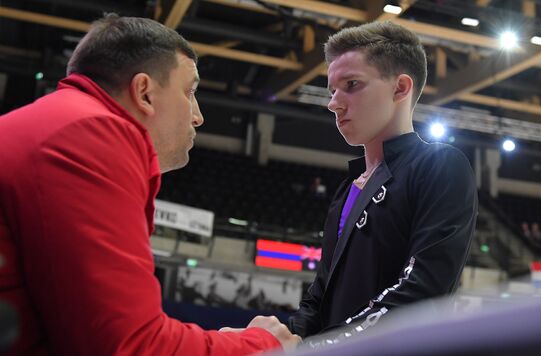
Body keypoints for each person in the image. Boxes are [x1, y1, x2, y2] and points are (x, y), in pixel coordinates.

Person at [0, 14, 299, 355]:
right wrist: (262, 344)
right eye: (190, 93)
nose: (198, 116)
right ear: (144, 92)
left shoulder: (62, 121)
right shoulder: (90, 135)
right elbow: (132, 347)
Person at [287, 21, 478, 345]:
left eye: (351, 84)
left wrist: (327, 344)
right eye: (332, 90)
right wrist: (282, 338)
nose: (334, 102)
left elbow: (421, 289)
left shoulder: (439, 165)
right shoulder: (347, 189)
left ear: (400, 88)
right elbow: (319, 297)